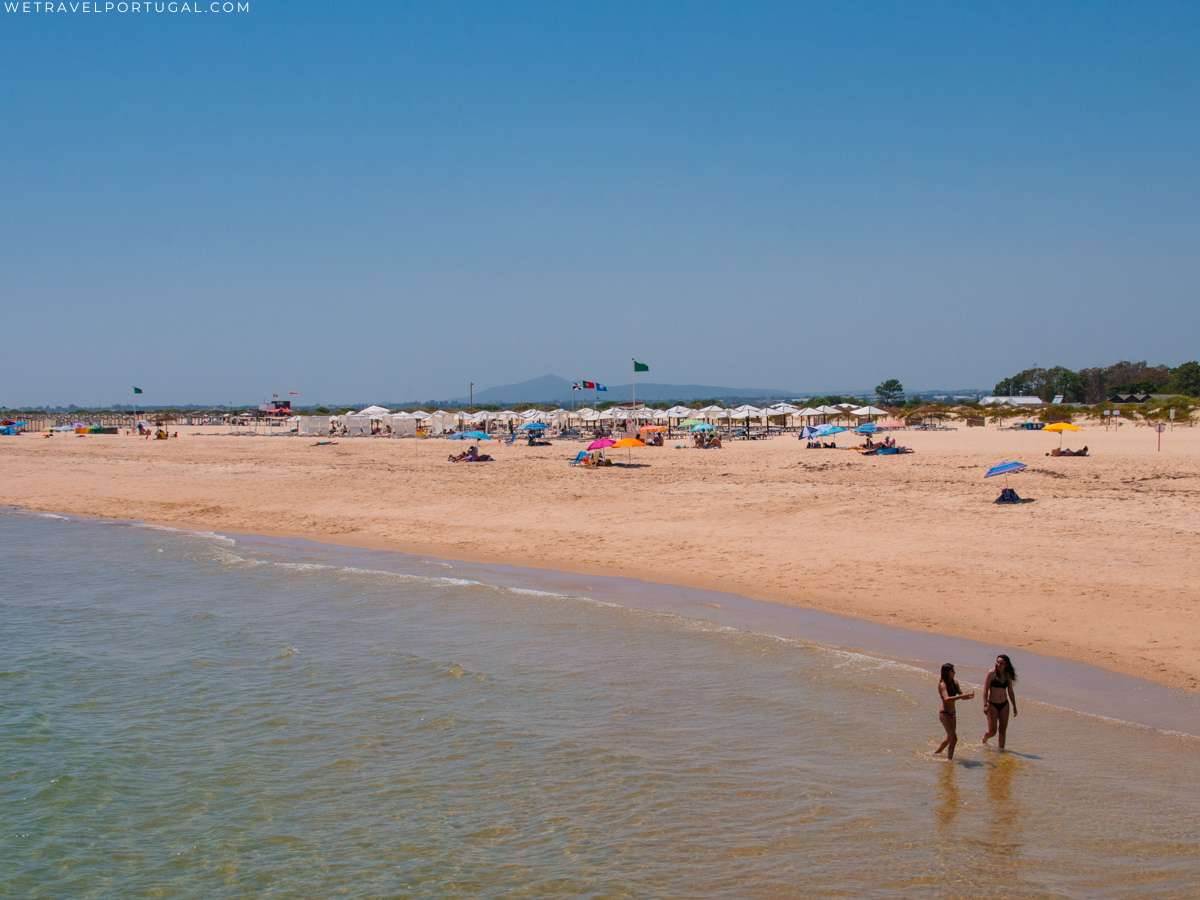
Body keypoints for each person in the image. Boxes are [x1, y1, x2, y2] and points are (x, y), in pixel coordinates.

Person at [935, 663, 975, 760]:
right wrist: (962, 696)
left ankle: (936, 753)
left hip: (953, 714)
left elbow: (961, 696)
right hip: (944, 714)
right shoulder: (942, 684)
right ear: (947, 672)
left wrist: (969, 696)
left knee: (950, 738)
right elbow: (947, 699)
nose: (954, 672)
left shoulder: (955, 682)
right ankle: (949, 762)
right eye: (952, 671)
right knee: (954, 738)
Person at [982, 654, 1018, 749]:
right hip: (992, 704)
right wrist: (985, 704)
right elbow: (985, 690)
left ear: (1006, 665)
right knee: (993, 732)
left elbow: (1010, 691)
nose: (998, 664)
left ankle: (1001, 751)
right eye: (997, 662)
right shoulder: (991, 673)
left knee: (1002, 731)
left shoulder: (1007, 675)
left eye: (1001, 663)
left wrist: (1014, 706)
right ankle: (985, 737)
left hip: (1004, 704)